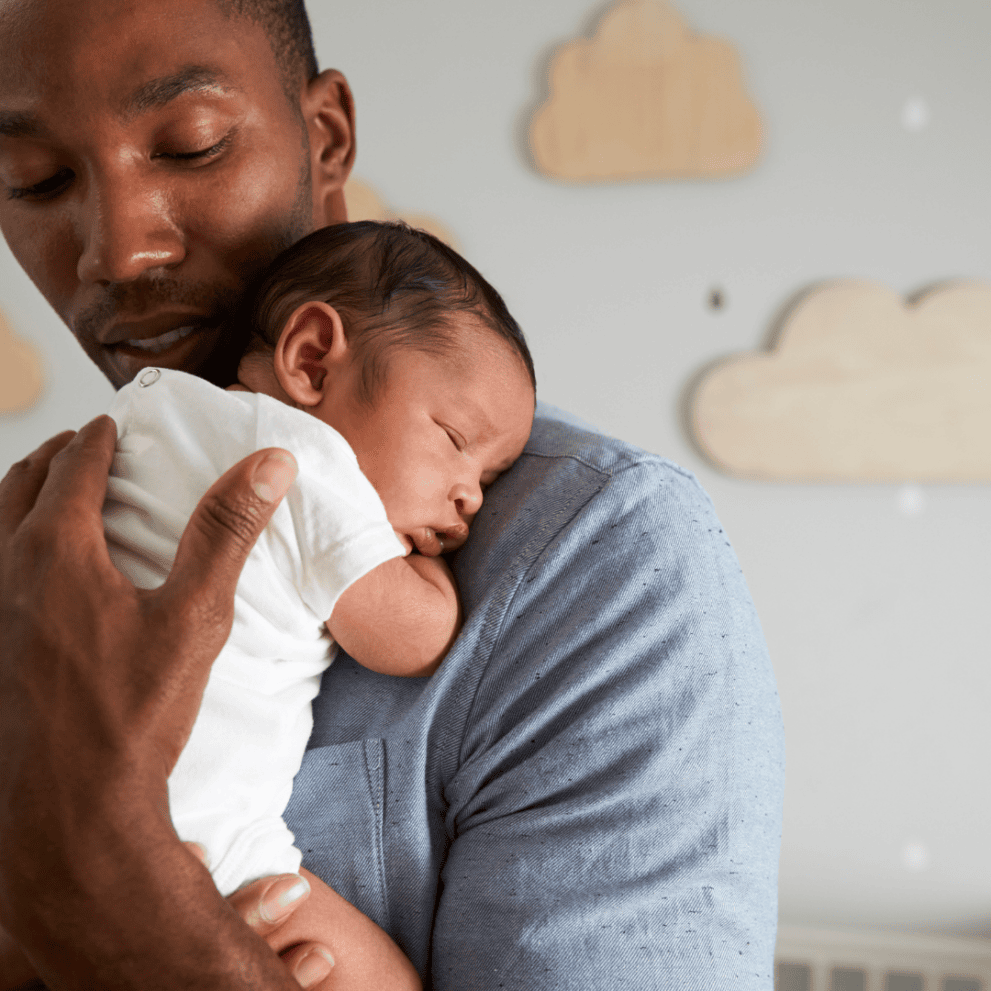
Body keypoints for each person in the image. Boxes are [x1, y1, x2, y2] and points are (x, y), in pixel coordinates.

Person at [0, 1, 786, 989]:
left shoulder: (599, 561)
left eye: (192, 147)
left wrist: (114, 899)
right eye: (32, 180)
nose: (116, 251)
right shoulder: (44, 524)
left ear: (323, 138)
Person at [0, 219, 536, 991]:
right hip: (203, 844)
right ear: (311, 358)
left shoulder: (144, 417)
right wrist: (431, 571)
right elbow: (411, 637)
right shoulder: (307, 463)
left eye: (489, 476)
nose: (469, 497)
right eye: (455, 439)